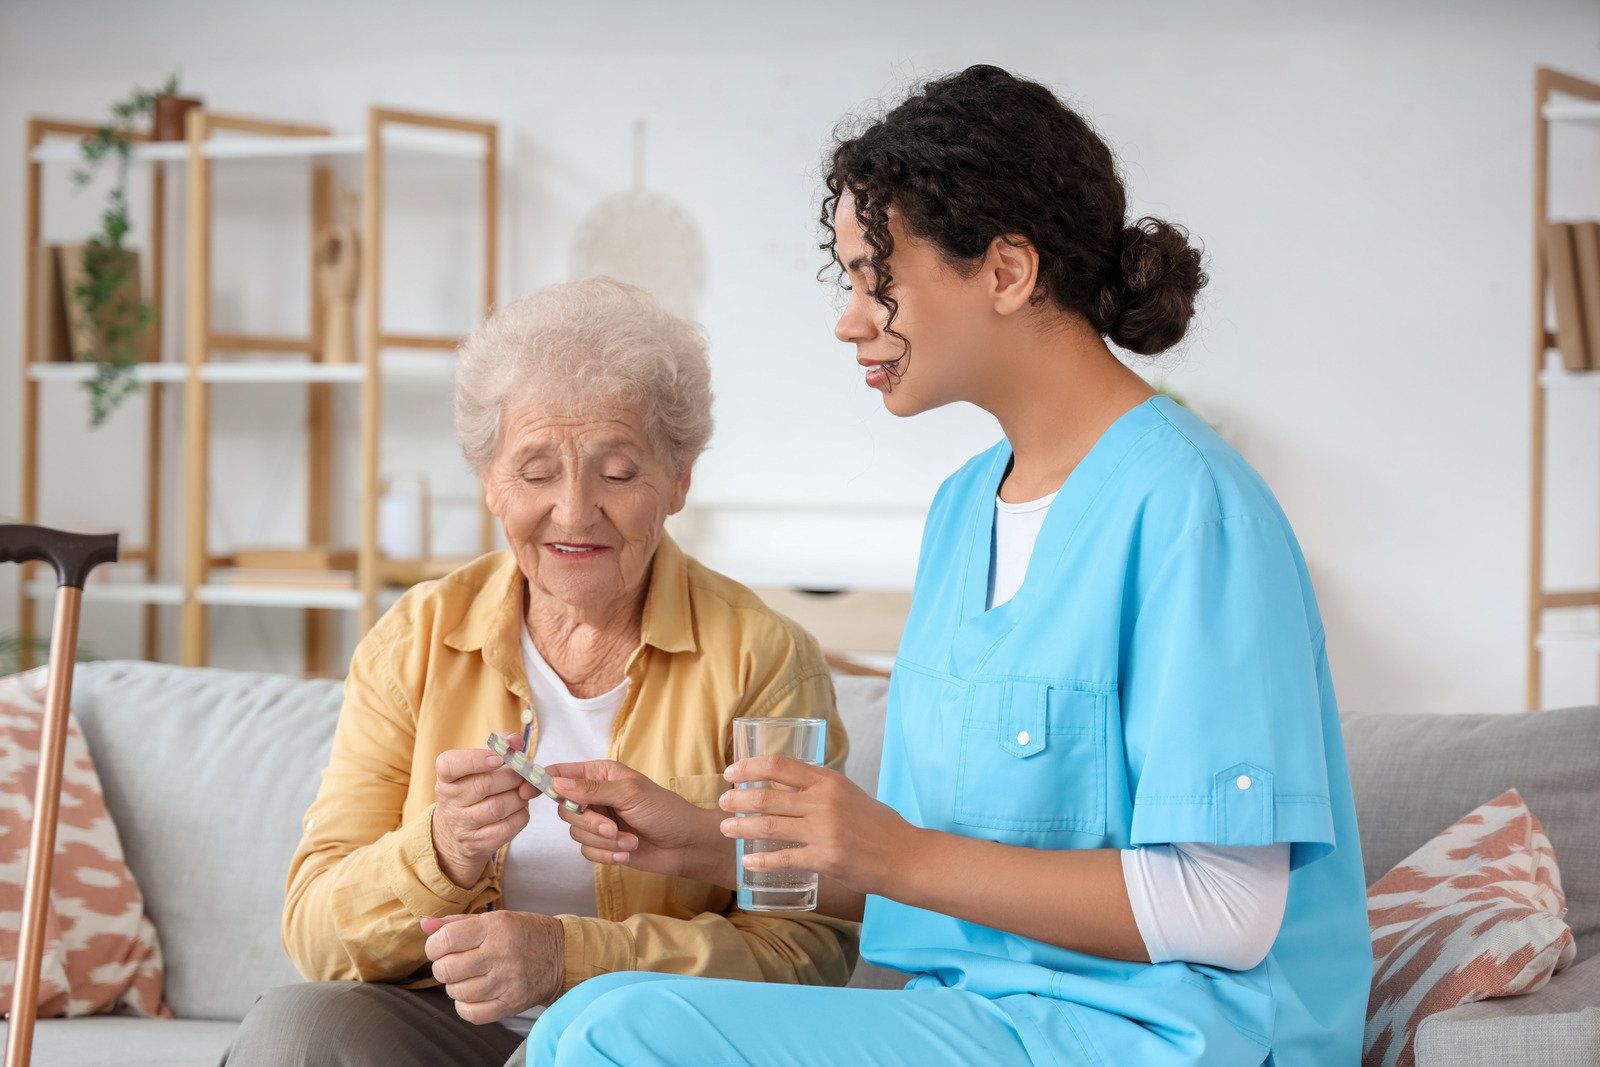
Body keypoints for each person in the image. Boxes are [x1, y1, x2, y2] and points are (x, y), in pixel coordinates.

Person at [528, 66, 1370, 1065]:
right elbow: (930, 879)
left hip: (1161, 1038)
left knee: (623, 1028)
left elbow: (1229, 907)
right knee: (589, 1014)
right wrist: (709, 844)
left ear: (1007, 271)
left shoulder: (1192, 507)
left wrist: (898, 850)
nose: (849, 317)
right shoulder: (964, 509)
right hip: (981, 1016)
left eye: (873, 275)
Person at [223, 277, 856, 1067]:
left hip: (646, 1034)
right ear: (489, 479)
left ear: (680, 479)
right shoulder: (415, 639)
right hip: (444, 1019)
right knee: (301, 1028)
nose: (574, 510)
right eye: (534, 471)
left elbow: (804, 950)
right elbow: (315, 932)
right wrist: (442, 848)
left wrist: (572, 958)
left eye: (618, 472)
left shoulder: (763, 655)